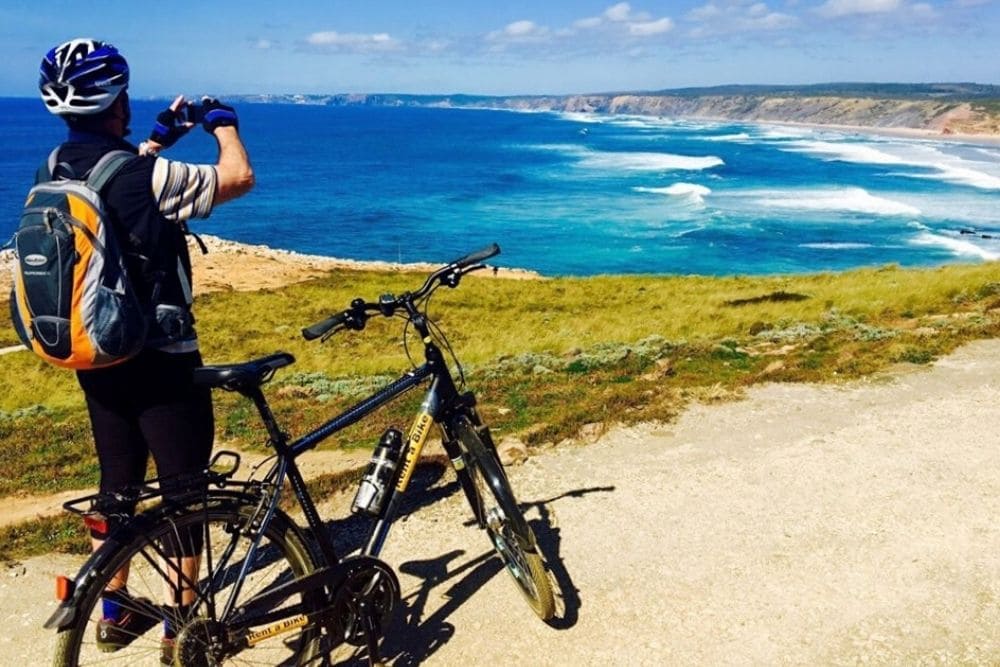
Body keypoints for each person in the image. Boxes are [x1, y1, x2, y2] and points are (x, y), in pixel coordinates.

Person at [36, 38, 254, 663]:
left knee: (118, 484)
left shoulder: (53, 165)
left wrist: (160, 139)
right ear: (118, 101)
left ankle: (114, 611)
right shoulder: (142, 175)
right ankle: (180, 625)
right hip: (161, 358)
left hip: (96, 353)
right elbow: (238, 177)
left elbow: (119, 184)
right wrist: (223, 126)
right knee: (185, 489)